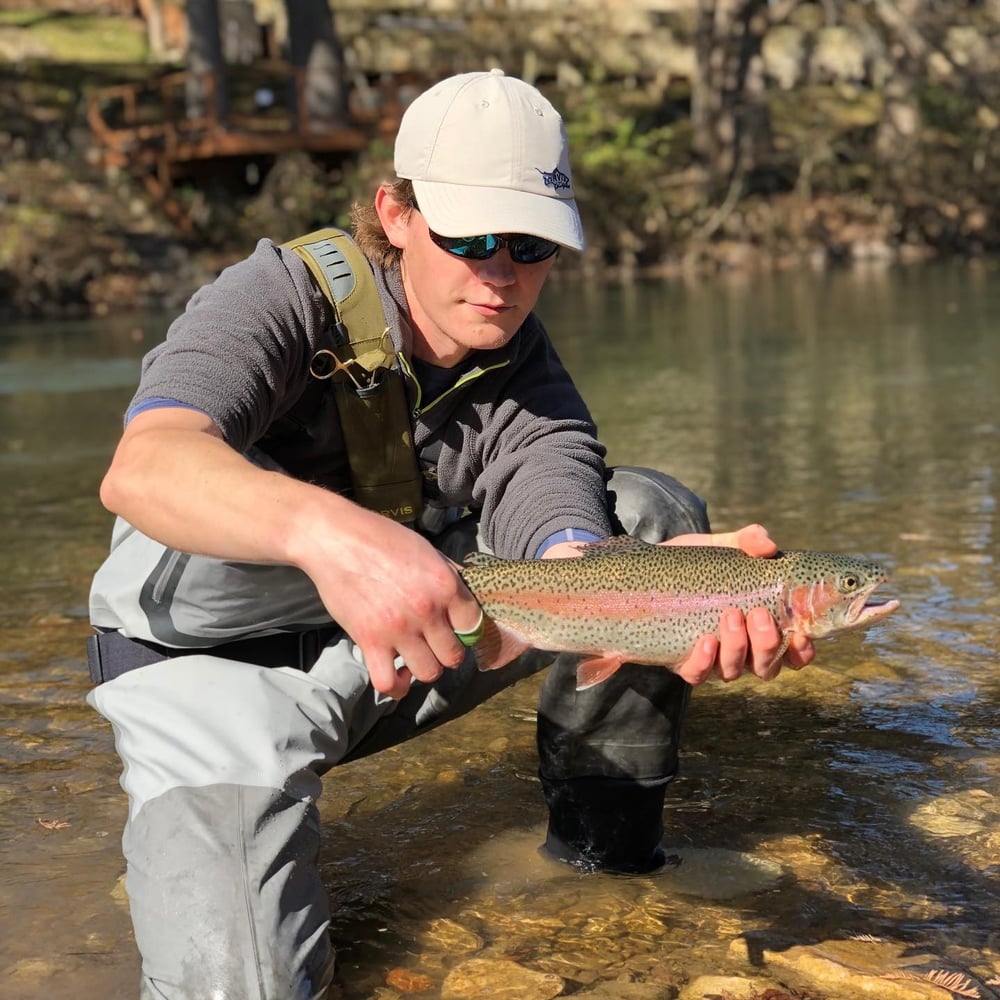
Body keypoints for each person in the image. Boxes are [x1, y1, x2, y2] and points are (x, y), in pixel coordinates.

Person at [86, 68, 814, 1000]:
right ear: (394, 214)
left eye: (532, 243)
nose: (501, 271)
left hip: (424, 639)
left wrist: (671, 600)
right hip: (216, 676)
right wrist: (336, 535)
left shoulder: (525, 365)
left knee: (652, 522)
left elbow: (564, 542)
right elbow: (144, 467)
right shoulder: (277, 297)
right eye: (469, 236)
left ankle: (606, 862)